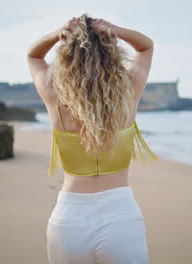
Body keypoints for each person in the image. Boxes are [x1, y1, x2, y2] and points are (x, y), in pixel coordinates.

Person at [26, 13, 158, 264]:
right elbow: (146, 46)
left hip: (69, 218)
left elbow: (33, 56)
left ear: (66, 57)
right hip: (121, 216)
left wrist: (57, 34)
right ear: (112, 52)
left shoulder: (55, 96)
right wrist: (114, 29)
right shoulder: (128, 90)